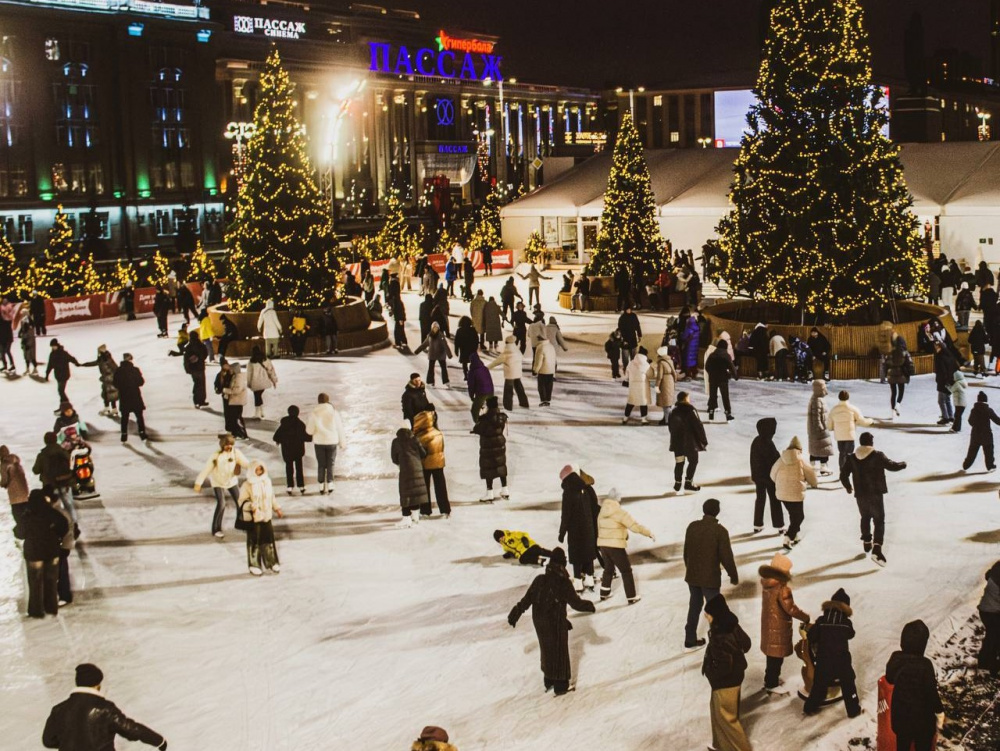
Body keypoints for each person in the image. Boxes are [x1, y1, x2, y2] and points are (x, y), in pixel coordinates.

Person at [507, 546, 596, 696]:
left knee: (546, 648)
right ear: (562, 564)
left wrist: (516, 612)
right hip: (554, 622)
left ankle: (548, 680)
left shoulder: (539, 579)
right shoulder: (563, 582)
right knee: (559, 651)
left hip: (539, 621)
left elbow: (527, 599)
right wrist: (590, 605)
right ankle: (561, 686)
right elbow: (576, 603)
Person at [42, 664, 167, 750]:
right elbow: (131, 729)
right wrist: (159, 741)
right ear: (97, 685)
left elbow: (48, 741)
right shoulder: (105, 709)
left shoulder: (59, 709)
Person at [840, 432, 906, 566]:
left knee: (865, 517)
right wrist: (903, 464)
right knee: (879, 520)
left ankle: (866, 541)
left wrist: (848, 486)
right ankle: (877, 549)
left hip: (860, 494)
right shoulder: (877, 455)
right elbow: (892, 466)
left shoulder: (852, 458)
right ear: (871, 442)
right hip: (875, 494)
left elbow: (843, 475)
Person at [683, 498, 738, 649]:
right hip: (710, 578)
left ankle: (689, 638)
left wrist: (690, 568)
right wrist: (733, 575)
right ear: (717, 511)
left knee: (694, 606)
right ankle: (718, 642)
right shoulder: (720, 531)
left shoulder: (692, 527)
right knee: (715, 609)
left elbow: (686, 552)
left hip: (693, 575)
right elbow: (726, 556)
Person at [702, 594, 753, 751]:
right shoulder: (732, 625)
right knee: (718, 713)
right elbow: (747, 644)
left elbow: (724, 667)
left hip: (725, 682)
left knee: (728, 719)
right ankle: (721, 745)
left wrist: (710, 673)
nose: (705, 616)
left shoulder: (720, 636)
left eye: (708, 614)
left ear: (716, 615)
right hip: (735, 677)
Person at [885, 620, 944, 751]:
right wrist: (939, 709)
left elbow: (889, 678)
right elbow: (930, 692)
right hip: (922, 721)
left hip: (900, 718)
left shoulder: (896, 658)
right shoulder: (925, 665)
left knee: (902, 745)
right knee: (923, 745)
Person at [803, 588, 860, 718]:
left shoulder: (822, 620)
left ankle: (809, 708)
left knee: (819, 685)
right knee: (848, 684)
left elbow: (812, 636)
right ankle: (853, 710)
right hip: (842, 660)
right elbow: (851, 634)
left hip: (824, 659)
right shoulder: (846, 623)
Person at [759, 553, 810, 694]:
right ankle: (771, 683)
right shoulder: (782, 589)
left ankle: (770, 679)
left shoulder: (768, 584)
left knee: (772, 656)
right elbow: (791, 608)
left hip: (769, 625)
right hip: (778, 627)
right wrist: (805, 617)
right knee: (776, 658)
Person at [13, 489, 68, 618]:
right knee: (51, 581)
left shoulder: (28, 516)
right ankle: (51, 608)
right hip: (52, 552)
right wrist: (57, 536)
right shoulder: (52, 513)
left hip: (34, 553)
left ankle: (36, 610)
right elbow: (64, 526)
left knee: (35, 582)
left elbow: (19, 533)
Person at [597, 487, 654, 604]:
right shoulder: (620, 512)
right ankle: (631, 596)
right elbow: (634, 526)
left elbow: (600, 528)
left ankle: (604, 592)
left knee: (608, 568)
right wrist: (648, 533)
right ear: (617, 498)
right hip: (615, 546)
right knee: (626, 570)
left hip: (603, 545)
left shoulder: (602, 512)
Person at [195, 433, 249, 538]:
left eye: (231, 445)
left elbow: (246, 463)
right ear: (222, 445)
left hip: (231, 481)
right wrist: (198, 482)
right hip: (218, 482)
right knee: (222, 504)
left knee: (240, 502)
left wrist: (255, 468)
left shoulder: (236, 453)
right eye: (227, 445)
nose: (229, 447)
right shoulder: (216, 456)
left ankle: (241, 524)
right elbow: (206, 469)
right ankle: (216, 529)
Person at [558, 465, 600, 592]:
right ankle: (589, 579)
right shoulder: (586, 489)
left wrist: (562, 532)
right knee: (588, 552)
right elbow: (594, 508)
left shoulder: (568, 492)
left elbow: (566, 515)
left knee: (577, 555)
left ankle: (578, 582)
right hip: (589, 527)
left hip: (575, 530)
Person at [771, 436, 818, 550]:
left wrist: (781, 484)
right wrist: (814, 484)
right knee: (799, 516)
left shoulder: (781, 459)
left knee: (793, 515)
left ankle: (795, 535)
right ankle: (788, 537)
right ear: (799, 449)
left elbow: (772, 474)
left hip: (782, 494)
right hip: (796, 494)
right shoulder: (801, 460)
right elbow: (811, 474)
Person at [237, 460, 283, 576]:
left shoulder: (267, 481)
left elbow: (271, 497)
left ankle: (271, 562)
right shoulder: (247, 485)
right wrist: (251, 506)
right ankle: (254, 564)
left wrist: (277, 508)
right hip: (254, 518)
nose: (259, 471)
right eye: (256, 469)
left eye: (261, 469)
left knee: (268, 540)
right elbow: (241, 501)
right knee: (254, 541)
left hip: (266, 516)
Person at [412, 408, 451, 518]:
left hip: (425, 465)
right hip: (438, 463)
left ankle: (425, 510)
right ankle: (445, 510)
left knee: (425, 489)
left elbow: (421, 453)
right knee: (441, 487)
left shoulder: (421, 437)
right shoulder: (438, 433)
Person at [306, 393, 346, 495]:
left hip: (319, 442)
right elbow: (340, 428)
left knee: (321, 464)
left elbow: (309, 431)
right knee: (330, 463)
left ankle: (321, 485)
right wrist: (342, 443)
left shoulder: (314, 413)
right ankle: (330, 483)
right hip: (332, 441)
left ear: (318, 401)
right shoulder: (334, 413)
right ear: (328, 400)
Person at [391, 420, 429, 528]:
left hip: (405, 470)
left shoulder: (396, 441)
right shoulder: (415, 439)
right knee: (415, 492)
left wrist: (400, 462)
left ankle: (406, 517)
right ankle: (415, 517)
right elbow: (423, 453)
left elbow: (394, 458)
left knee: (405, 493)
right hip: (417, 469)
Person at [669, 391, 708, 493]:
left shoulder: (673, 411)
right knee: (693, 461)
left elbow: (671, 427)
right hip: (690, 443)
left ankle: (677, 483)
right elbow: (698, 426)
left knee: (679, 462)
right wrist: (703, 440)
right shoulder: (691, 410)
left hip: (677, 443)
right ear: (685, 399)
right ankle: (688, 482)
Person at [32, 432, 75, 523]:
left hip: (50, 485)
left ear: (45, 441)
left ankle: (59, 525)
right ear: (56, 440)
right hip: (65, 482)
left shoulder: (42, 455)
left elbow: (35, 470)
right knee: (69, 505)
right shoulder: (63, 452)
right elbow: (71, 464)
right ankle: (73, 523)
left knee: (53, 507)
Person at [751, 418, 784, 534]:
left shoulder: (756, 440)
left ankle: (757, 524)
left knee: (760, 499)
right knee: (774, 500)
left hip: (758, 477)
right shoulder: (768, 443)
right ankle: (779, 525)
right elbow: (775, 459)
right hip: (769, 477)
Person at [473, 396, 509, 502]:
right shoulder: (501, 417)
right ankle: (505, 490)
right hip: (499, 445)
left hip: (488, 447)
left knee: (488, 468)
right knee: (501, 466)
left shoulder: (485, 419)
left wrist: (480, 416)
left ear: (488, 406)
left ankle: (490, 493)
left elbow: (477, 429)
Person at [828, 390, 875, 469]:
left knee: (842, 454)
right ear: (848, 397)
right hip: (849, 435)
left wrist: (834, 427)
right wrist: (871, 421)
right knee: (849, 454)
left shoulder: (834, 409)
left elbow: (829, 426)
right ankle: (850, 470)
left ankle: (842, 471)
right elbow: (862, 421)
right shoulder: (852, 408)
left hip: (839, 436)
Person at [273, 405, 310, 495]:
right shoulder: (300, 424)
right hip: (298, 451)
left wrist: (279, 440)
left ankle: (290, 486)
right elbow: (306, 437)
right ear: (298, 413)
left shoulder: (284, 424)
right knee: (299, 468)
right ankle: (301, 486)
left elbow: (276, 436)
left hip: (287, 451)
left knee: (289, 468)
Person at [488, 335, 529, 411]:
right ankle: (524, 403)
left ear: (507, 343)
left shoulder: (506, 353)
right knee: (519, 388)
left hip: (510, 374)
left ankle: (508, 406)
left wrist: (486, 368)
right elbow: (521, 358)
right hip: (517, 373)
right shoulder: (517, 351)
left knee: (508, 391)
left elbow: (496, 362)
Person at [113, 353, 148, 442]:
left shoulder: (118, 371)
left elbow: (115, 383)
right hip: (135, 395)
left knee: (124, 417)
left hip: (124, 396)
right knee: (139, 416)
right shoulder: (135, 370)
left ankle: (124, 435)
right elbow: (141, 382)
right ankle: (142, 433)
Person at [964, 391, 1000, 472]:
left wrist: (976, 425)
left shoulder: (973, 410)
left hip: (975, 434)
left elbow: (970, 421)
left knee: (972, 451)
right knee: (989, 451)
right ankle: (990, 466)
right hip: (986, 434)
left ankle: (966, 465)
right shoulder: (988, 410)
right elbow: (997, 420)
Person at [82, 344, 120, 418]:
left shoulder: (106, 359)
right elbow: (95, 363)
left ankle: (110, 410)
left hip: (109, 380)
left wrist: (112, 376)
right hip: (107, 380)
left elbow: (115, 368)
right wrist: (84, 364)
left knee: (109, 394)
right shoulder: (103, 358)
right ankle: (111, 410)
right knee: (108, 394)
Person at [705, 339, 737, 422]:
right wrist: (735, 376)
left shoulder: (712, 355)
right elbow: (731, 366)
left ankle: (711, 413)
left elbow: (707, 366)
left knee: (713, 396)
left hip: (713, 378)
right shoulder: (726, 355)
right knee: (725, 397)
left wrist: (711, 373)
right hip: (723, 378)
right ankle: (728, 414)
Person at [415, 321, 452, 387]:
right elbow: (424, 344)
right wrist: (417, 351)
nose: (435, 329)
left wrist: (449, 354)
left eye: (436, 327)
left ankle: (446, 381)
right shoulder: (430, 335)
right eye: (434, 328)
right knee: (431, 368)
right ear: (432, 328)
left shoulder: (441, 335)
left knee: (443, 368)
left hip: (440, 354)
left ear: (438, 328)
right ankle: (430, 381)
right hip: (432, 354)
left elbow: (445, 345)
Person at [979, 561, 1000, 676]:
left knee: (992, 637)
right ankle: (988, 666)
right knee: (993, 638)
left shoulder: (997, 566)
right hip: (992, 611)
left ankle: (986, 664)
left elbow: (988, 575)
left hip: (987, 610)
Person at [45, 339, 80, 407]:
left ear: (57, 345)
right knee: (60, 391)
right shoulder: (52, 354)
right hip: (58, 375)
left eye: (54, 346)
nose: (53, 348)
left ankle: (67, 404)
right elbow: (50, 365)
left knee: (60, 391)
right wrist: (47, 374)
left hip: (64, 374)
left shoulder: (63, 353)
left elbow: (72, 358)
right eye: (52, 346)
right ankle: (63, 405)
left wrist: (76, 363)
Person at [622, 347, 653, 424]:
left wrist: (627, 379)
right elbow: (651, 375)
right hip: (642, 386)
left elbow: (627, 374)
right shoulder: (646, 364)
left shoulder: (631, 363)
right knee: (643, 402)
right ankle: (643, 419)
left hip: (633, 385)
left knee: (631, 402)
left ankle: (625, 418)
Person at [246, 346, 278, 420]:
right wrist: (274, 380)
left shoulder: (251, 362)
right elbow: (271, 370)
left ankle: (258, 413)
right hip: (264, 382)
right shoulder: (266, 360)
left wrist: (249, 383)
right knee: (258, 396)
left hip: (255, 382)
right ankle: (261, 412)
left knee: (257, 397)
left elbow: (249, 373)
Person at [1, 444, 29, 525]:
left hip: (15, 496)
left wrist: (2, 484)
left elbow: (4, 481)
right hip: (25, 493)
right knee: (26, 517)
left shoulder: (4, 464)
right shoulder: (17, 462)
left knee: (19, 518)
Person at [885, 339, 913, 417]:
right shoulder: (905, 352)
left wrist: (886, 373)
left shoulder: (890, 353)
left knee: (893, 393)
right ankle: (898, 404)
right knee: (901, 391)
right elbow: (909, 363)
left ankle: (892, 411)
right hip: (901, 374)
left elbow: (886, 364)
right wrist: (910, 372)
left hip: (892, 374)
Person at [933, 341, 958, 426]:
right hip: (951, 381)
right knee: (947, 399)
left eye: (936, 346)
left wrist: (941, 381)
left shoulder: (940, 357)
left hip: (943, 382)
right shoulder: (950, 356)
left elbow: (942, 371)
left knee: (941, 401)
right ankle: (951, 416)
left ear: (940, 347)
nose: (935, 348)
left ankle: (945, 417)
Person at [183, 331, 209, 408]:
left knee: (197, 383)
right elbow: (205, 354)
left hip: (193, 368)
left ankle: (196, 401)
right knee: (202, 384)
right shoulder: (201, 345)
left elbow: (185, 359)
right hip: (200, 367)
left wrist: (187, 368)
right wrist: (200, 359)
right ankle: (202, 400)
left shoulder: (188, 346)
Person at [223, 362, 249, 439]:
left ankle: (243, 434)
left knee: (237, 418)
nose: (230, 370)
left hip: (237, 401)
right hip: (235, 401)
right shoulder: (235, 376)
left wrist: (225, 390)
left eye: (231, 369)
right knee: (234, 418)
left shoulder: (238, 378)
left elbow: (237, 390)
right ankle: (236, 433)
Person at [653, 345, 677, 425]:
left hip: (664, 382)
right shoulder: (670, 360)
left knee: (665, 402)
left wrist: (657, 386)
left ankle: (667, 420)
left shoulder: (661, 363)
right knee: (668, 402)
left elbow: (659, 376)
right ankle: (666, 418)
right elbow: (674, 372)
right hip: (670, 381)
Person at [532, 330, 556, 407]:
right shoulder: (551, 346)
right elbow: (554, 360)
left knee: (541, 386)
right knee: (549, 386)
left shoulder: (540, 347)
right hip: (551, 370)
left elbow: (538, 361)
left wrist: (535, 370)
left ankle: (543, 400)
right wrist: (554, 371)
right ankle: (548, 400)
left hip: (543, 370)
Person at [948, 368, 968, 433]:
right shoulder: (963, 381)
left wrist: (947, 386)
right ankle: (957, 428)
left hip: (959, 402)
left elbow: (952, 390)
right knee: (958, 415)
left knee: (957, 415)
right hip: (963, 403)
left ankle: (955, 428)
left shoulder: (957, 383)